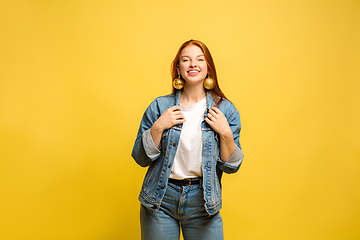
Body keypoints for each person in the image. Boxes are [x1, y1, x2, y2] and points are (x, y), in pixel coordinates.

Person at [131, 39, 244, 240]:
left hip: (203, 202)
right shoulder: (159, 107)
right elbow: (140, 157)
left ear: (208, 68)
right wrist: (159, 126)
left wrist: (225, 133)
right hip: (160, 199)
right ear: (178, 68)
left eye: (200, 59)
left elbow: (232, 166)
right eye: (186, 60)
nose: (193, 64)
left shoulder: (225, 110)